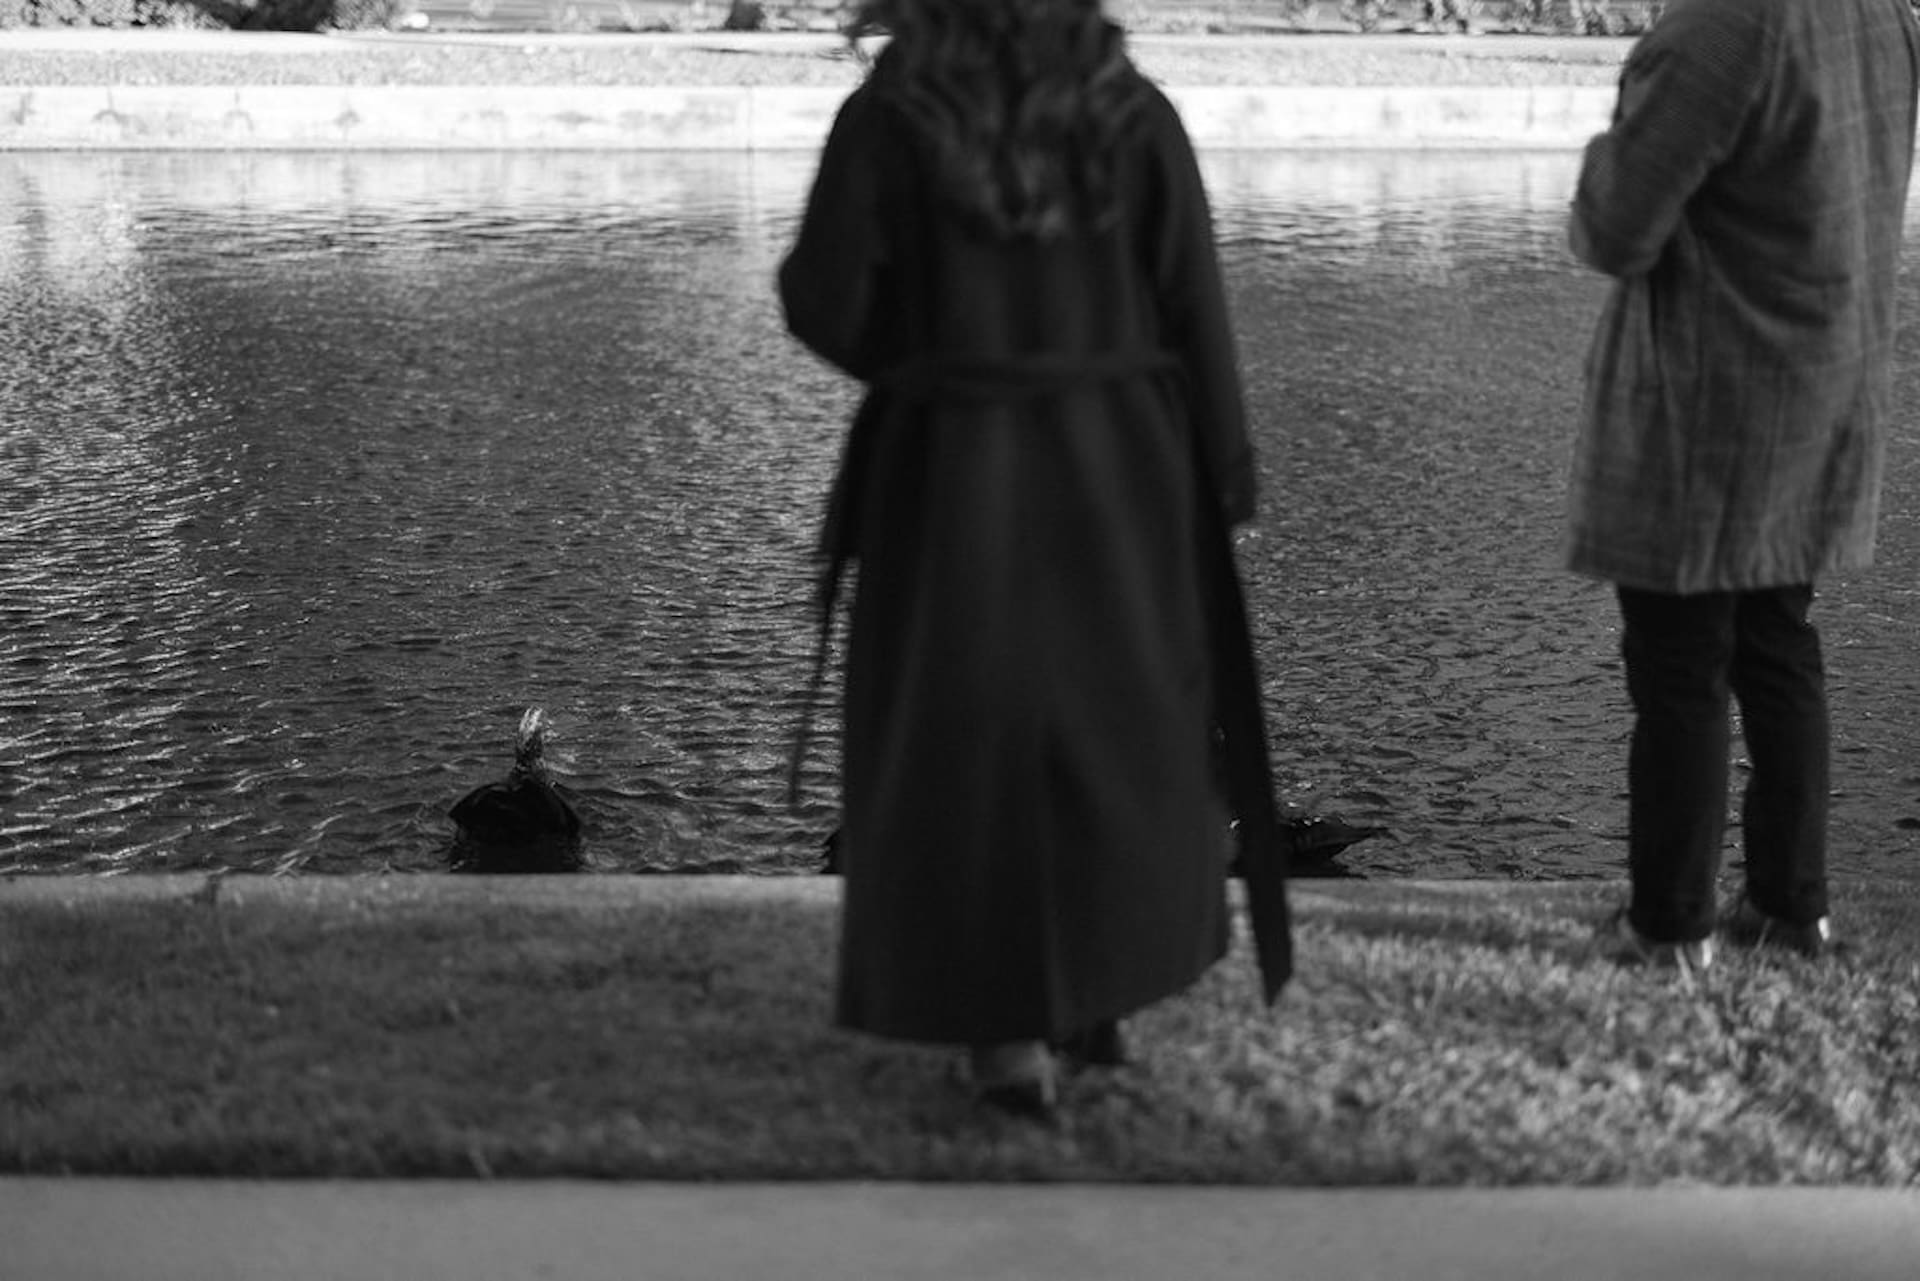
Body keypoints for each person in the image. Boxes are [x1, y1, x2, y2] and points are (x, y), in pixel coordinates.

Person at [778, 0, 1291, 1113]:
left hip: (949, 475)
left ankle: (1009, 1039)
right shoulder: (1134, 115)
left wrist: (921, 363)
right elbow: (1196, 306)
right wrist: (1222, 479)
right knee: (1109, 736)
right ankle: (1085, 1002)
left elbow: (819, 300)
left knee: (969, 744)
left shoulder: (891, 117)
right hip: (1120, 474)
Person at [1566, 0, 1919, 970]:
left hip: (1710, 409)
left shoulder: (1725, 23)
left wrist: (1609, 138)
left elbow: (1614, 228)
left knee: (1680, 668)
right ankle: (1788, 908)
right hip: (1821, 393)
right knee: (1776, 647)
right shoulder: (1882, 13)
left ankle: (1669, 928)